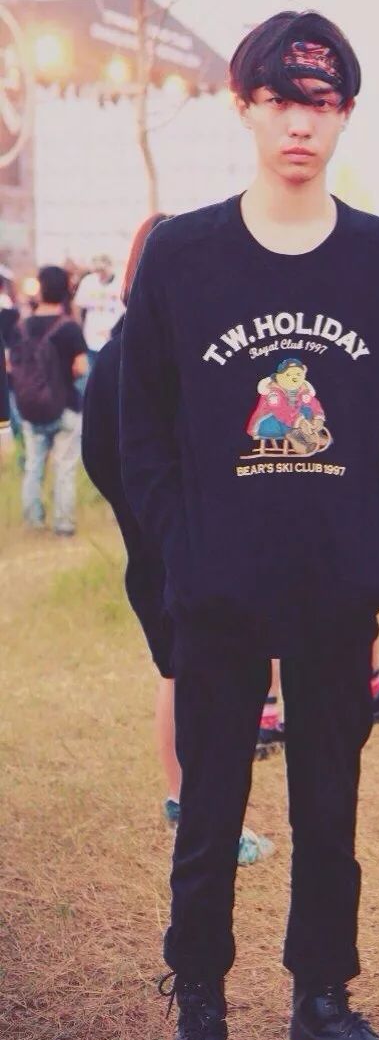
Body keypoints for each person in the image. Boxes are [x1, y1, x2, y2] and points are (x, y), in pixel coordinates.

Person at [120, 10, 379, 1040]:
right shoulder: (184, 254)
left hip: (335, 591)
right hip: (218, 591)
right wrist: (182, 546)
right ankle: (199, 1024)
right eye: (280, 100)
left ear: (344, 114)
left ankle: (322, 1004)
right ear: (243, 106)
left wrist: (374, 557)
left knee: (329, 805)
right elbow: (136, 425)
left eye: (320, 103)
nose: (300, 122)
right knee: (209, 811)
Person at [82, 213, 275, 863]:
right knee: (191, 677)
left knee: (181, 673)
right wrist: (169, 520)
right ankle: (194, 806)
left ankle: (187, 799)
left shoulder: (123, 351)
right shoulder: (143, 357)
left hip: (158, 544)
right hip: (172, 547)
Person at [8, 265, 87, 535]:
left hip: (30, 408)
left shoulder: (22, 326)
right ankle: (63, 524)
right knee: (64, 468)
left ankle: (34, 521)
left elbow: (11, 365)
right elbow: (81, 367)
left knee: (34, 465)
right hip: (65, 407)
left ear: (40, 289)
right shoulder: (69, 327)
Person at [74, 253, 125, 367]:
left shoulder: (121, 282)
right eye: (97, 271)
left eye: (102, 270)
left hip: (113, 339)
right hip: (91, 338)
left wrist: (116, 331)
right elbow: (77, 305)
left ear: (110, 267)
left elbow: (126, 311)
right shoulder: (88, 281)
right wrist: (79, 327)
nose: (100, 274)